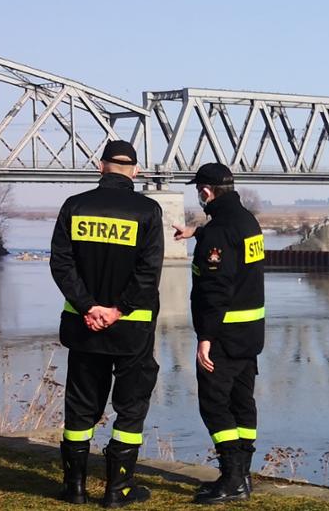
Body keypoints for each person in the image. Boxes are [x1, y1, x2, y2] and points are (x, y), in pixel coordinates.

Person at [49, 140, 166, 507]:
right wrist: (118, 309)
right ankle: (119, 490)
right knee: (130, 406)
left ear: (101, 167)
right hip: (131, 328)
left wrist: (88, 306)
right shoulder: (148, 211)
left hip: (84, 326)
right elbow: (149, 273)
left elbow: (61, 264)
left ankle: (76, 488)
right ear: (134, 170)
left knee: (81, 406)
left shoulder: (75, 206)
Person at [174, 162, 266, 505]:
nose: (199, 195)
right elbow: (229, 242)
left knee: (214, 404)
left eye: (199, 190)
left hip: (224, 336)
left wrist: (205, 339)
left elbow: (215, 289)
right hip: (251, 334)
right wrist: (195, 232)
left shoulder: (218, 233)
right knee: (242, 402)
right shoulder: (247, 222)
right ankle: (243, 476)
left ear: (207, 192)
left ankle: (230, 478)